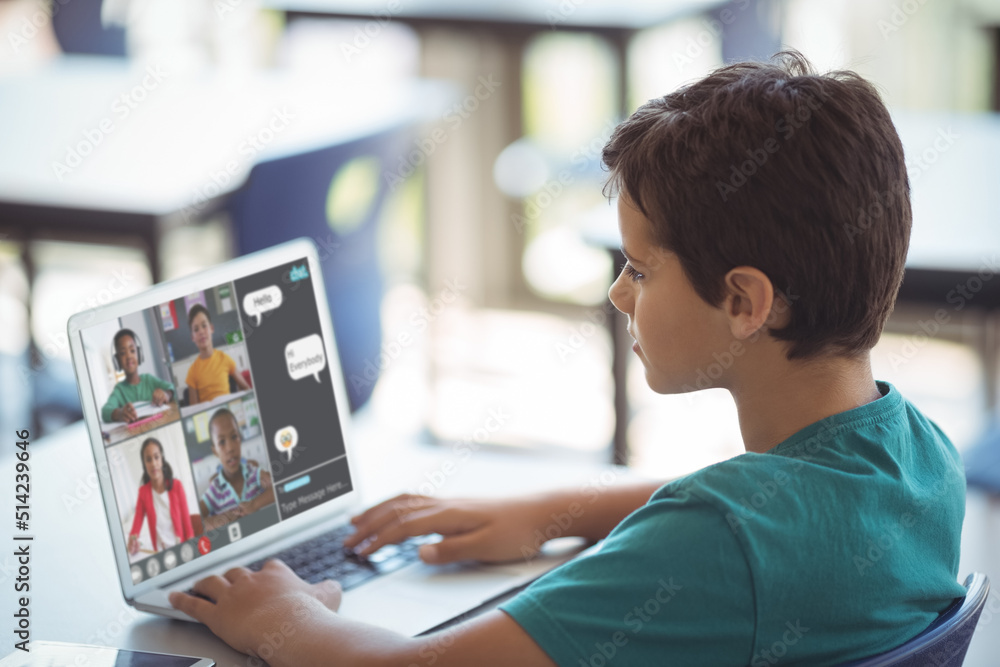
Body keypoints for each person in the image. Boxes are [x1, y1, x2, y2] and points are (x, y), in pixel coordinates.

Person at [169, 51, 967, 666]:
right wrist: (546, 511)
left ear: (744, 303)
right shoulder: (920, 455)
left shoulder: (713, 547)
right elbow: (750, 511)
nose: (621, 294)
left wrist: (280, 618)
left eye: (642, 269)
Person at [198, 408, 275, 531]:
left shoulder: (254, 474)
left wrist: (254, 504)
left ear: (240, 439)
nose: (230, 448)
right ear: (215, 451)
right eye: (222, 442)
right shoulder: (215, 491)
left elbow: (278, 486)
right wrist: (226, 518)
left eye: (234, 437)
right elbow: (195, 524)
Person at [128, 437, 194, 555]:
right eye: (148, 459)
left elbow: (187, 526)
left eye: (156, 457)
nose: (153, 463)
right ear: (144, 464)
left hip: (181, 549)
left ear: (162, 459)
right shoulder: (143, 492)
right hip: (160, 553)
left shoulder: (177, 486)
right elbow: (137, 522)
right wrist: (132, 540)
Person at [101, 329, 174, 423]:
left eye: (132, 350)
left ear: (139, 353)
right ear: (117, 360)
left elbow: (171, 387)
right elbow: (105, 411)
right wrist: (119, 413)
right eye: (123, 353)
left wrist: (166, 394)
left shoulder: (149, 379)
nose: (129, 356)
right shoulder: (119, 390)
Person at [184, 304, 251, 405]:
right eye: (196, 329)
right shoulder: (192, 371)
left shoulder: (225, 359)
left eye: (204, 325)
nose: (201, 331)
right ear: (192, 337)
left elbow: (246, 388)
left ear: (211, 328)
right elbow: (194, 409)